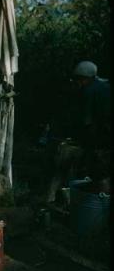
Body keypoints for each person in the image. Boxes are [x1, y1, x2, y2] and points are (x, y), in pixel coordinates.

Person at [46, 61, 110, 202]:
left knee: (99, 174)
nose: (77, 83)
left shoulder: (89, 91)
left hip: (101, 142)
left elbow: (87, 122)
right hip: (105, 139)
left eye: (78, 79)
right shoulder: (105, 86)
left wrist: (84, 142)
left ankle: (97, 205)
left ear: (84, 78)